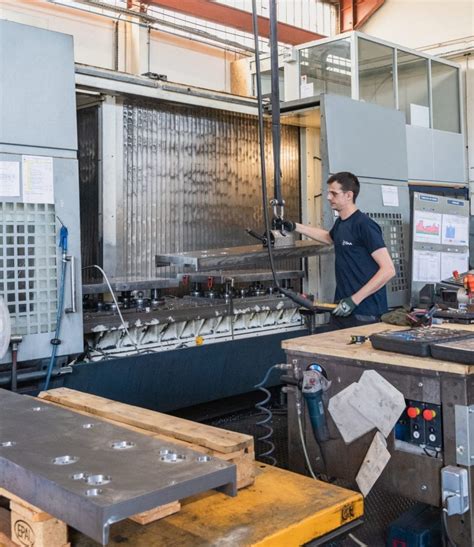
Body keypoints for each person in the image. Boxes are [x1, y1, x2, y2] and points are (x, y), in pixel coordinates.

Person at [285, 171, 396, 328]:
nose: (329, 197)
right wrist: (295, 226)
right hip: (342, 307)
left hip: (364, 312)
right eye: (329, 193)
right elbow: (328, 237)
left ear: (349, 195)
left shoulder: (364, 225)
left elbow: (388, 270)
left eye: (334, 193)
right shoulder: (341, 224)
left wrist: (354, 300)